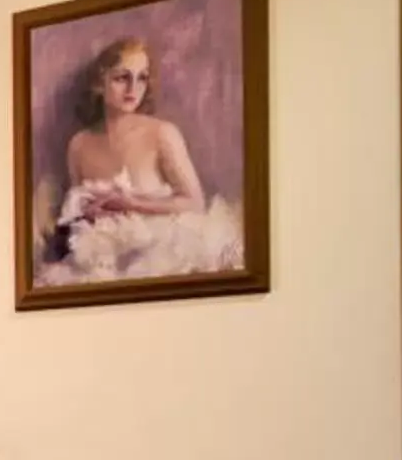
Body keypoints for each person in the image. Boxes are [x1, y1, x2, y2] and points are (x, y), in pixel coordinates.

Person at [35, 36, 248, 286]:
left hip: (161, 248)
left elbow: (194, 202)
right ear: (99, 83)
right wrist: (89, 212)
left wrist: (131, 203)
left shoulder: (162, 134)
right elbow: (76, 211)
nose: (133, 88)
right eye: (122, 78)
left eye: (142, 78)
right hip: (102, 255)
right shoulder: (79, 144)